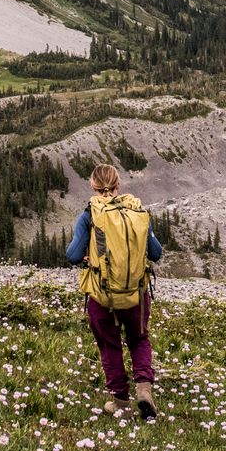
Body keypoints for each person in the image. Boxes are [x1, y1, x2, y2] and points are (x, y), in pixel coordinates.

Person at [66, 163, 163, 419]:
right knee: (139, 339)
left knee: (109, 344)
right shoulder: (137, 211)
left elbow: (73, 255)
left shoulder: (89, 215)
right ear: (118, 185)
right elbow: (156, 252)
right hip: (136, 292)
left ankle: (121, 402)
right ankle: (144, 389)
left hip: (102, 294)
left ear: (93, 186)